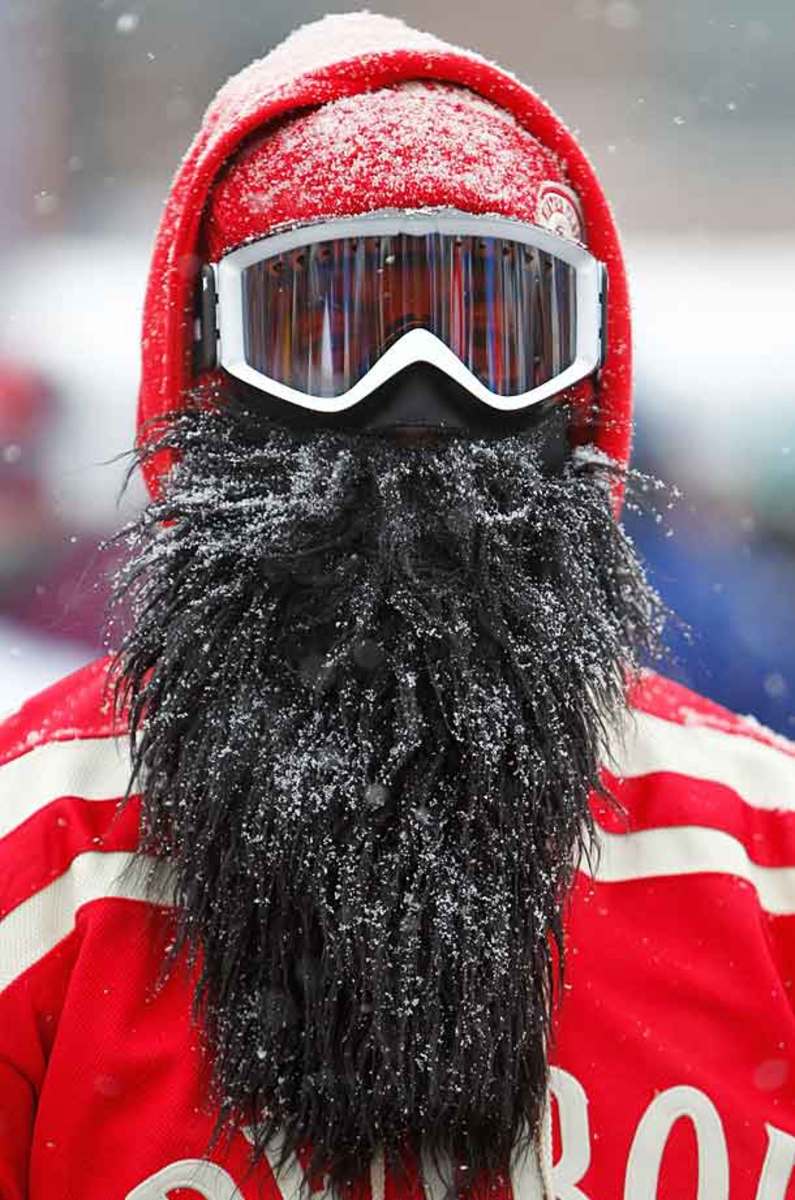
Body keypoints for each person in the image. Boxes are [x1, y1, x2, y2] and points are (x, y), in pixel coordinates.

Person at [1, 13, 794, 1200]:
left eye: (493, 329)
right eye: (325, 331)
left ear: (585, 379)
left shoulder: (767, 865)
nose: (415, 396)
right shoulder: (33, 862)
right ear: (208, 362)